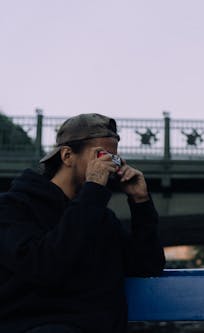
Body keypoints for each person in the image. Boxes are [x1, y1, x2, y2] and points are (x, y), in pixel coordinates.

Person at [0, 114, 166, 333]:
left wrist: (140, 203)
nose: (109, 166)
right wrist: (93, 189)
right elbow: (46, 266)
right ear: (67, 155)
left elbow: (147, 266)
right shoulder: (14, 208)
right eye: (101, 155)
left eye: (114, 159)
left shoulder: (99, 217)